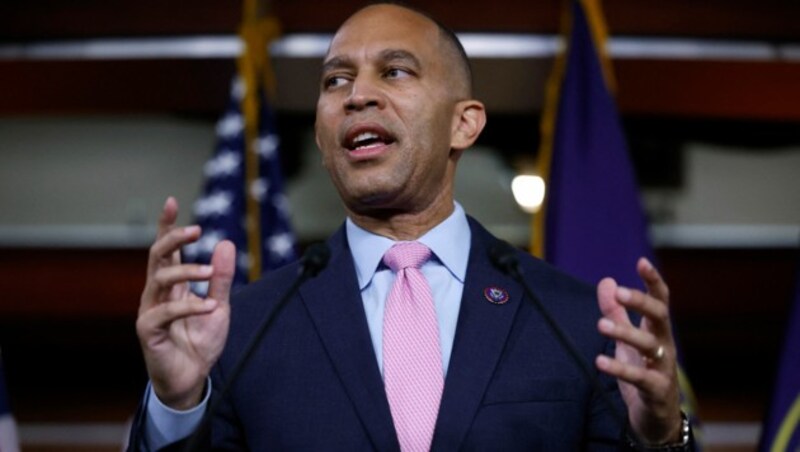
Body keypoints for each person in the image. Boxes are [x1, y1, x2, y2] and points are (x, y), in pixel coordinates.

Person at [129, 3, 694, 450]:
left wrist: (661, 438)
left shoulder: (575, 324)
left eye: (394, 71)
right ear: (324, 140)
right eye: (335, 81)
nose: (358, 95)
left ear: (464, 124)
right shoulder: (242, 331)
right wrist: (176, 408)